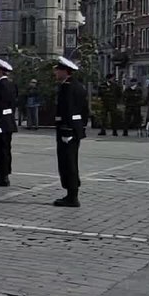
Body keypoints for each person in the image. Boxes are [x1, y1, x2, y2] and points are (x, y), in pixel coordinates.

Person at [53, 57, 89, 208]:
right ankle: (71, 193)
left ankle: (72, 196)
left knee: (68, 162)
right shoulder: (78, 86)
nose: (55, 73)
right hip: (75, 128)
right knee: (70, 161)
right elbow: (85, 111)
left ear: (65, 71)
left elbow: (68, 110)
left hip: (67, 130)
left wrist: (67, 130)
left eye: (58, 70)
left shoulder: (68, 87)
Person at [0, 59, 18, 187]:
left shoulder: (1, 85)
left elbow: (1, 104)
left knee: (0, 150)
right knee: (5, 149)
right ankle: (4, 175)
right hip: (9, 121)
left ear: (0, 71)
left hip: (1, 122)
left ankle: (2, 176)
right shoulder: (10, 84)